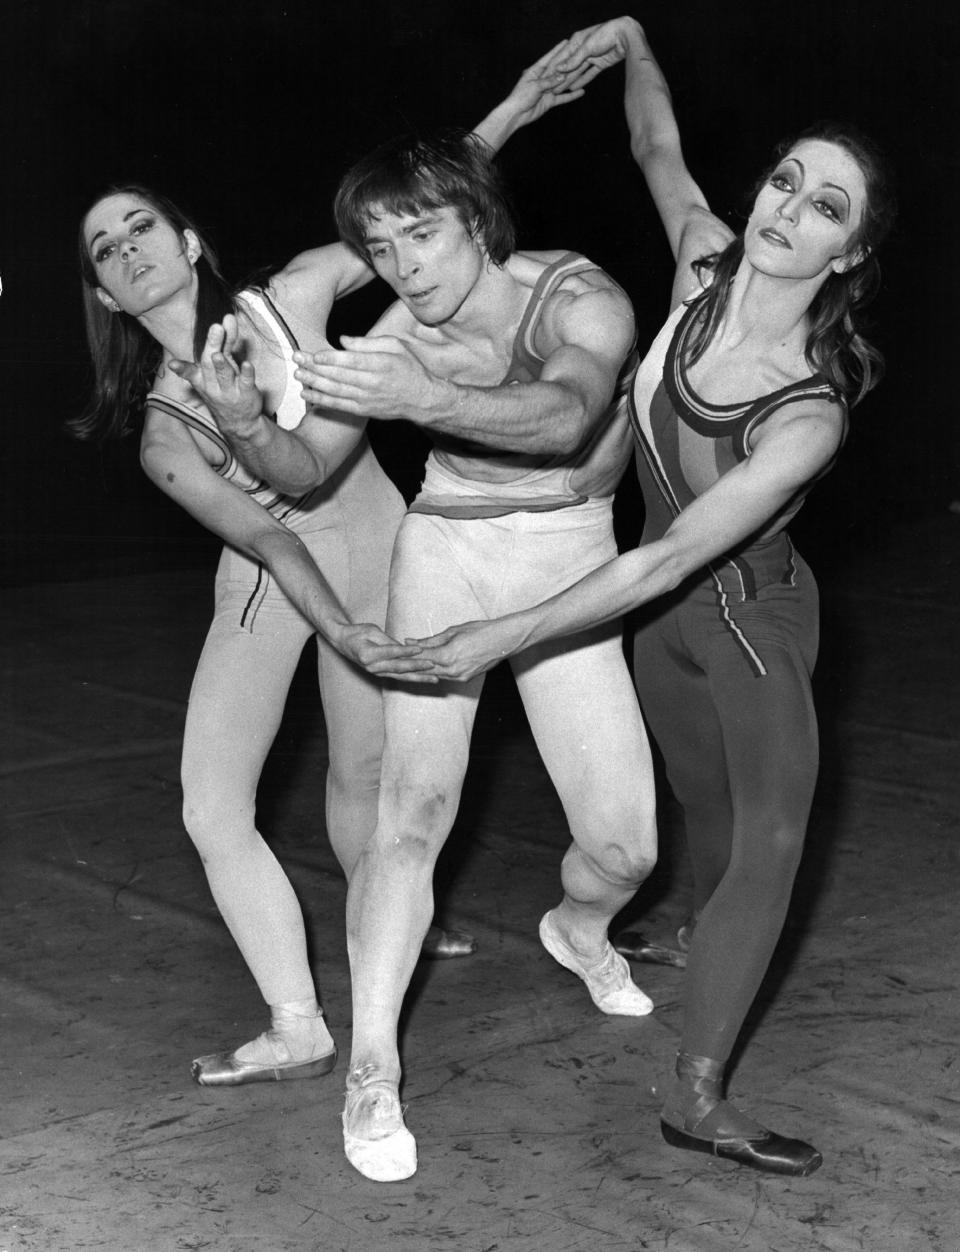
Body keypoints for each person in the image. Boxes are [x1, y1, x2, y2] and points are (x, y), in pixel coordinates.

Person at [415, 16, 896, 1177]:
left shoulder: (806, 408)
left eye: (826, 208)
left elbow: (664, 560)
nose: (787, 210)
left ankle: (697, 1095)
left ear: (847, 257)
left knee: (770, 842)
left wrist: (493, 635)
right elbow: (654, 142)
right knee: (710, 829)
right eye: (787, 180)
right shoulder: (701, 259)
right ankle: (692, 932)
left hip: (750, 624)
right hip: (668, 635)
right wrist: (634, 44)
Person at [73, 43, 594, 1090]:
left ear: (188, 240)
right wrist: (339, 628)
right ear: (104, 296)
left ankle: (388, 926)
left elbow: (410, 218)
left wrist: (521, 102)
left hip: (367, 545)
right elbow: (271, 530)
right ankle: (297, 1019)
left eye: (140, 228)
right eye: (102, 251)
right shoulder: (166, 434)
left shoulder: (298, 289)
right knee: (211, 803)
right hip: (266, 577)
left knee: (365, 779)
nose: (127, 252)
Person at [232, 125, 662, 1178]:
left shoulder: (576, 293)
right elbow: (300, 466)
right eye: (379, 248)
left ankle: (578, 928)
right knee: (410, 813)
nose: (402, 266)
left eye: (420, 233)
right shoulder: (399, 331)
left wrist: (418, 398)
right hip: (447, 548)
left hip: (564, 565)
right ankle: (370, 1071)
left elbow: (566, 415)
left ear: (477, 218)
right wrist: (244, 420)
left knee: (626, 851)